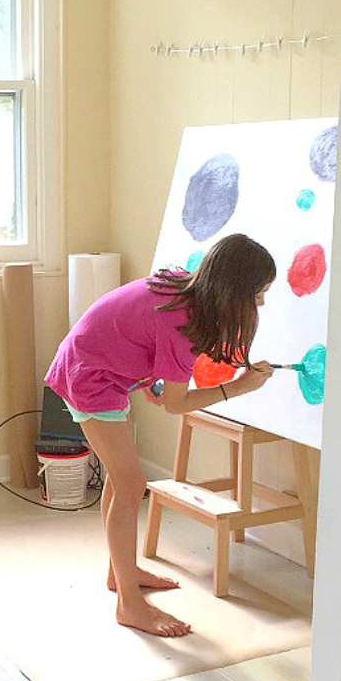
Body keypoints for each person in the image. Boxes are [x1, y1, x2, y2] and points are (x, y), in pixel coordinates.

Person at [45, 233, 275, 638]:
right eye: (258, 295)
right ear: (236, 292)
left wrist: (146, 379)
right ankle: (129, 604)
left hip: (99, 369)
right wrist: (238, 387)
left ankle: (122, 574)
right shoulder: (183, 324)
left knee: (122, 479)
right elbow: (175, 404)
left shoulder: (185, 290)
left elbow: (131, 329)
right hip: (90, 377)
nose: (260, 305)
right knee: (132, 483)